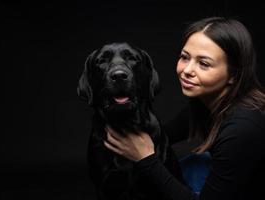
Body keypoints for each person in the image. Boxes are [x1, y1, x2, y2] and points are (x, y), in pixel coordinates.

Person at [103, 17, 265, 200]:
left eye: (204, 64)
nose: (187, 70)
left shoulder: (243, 128)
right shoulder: (206, 104)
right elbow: (161, 136)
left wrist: (146, 159)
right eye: (185, 57)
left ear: (233, 75)